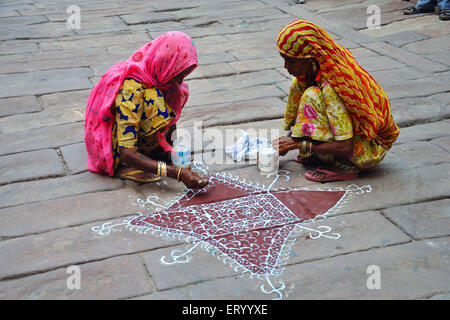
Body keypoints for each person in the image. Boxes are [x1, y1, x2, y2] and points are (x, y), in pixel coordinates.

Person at [273, 20, 400, 182]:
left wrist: (297, 144)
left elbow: (344, 146)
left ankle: (344, 166)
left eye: (291, 61)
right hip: (348, 140)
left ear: (311, 59)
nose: (285, 67)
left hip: (367, 149)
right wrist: (286, 144)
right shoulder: (311, 73)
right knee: (300, 86)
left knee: (312, 95)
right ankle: (316, 155)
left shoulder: (333, 85)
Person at [84, 31, 209, 189]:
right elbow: (127, 152)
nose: (179, 80)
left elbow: (171, 122)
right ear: (165, 62)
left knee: (176, 91)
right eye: (177, 74)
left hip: (139, 137)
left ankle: (150, 155)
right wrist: (176, 173)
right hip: (118, 149)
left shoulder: (167, 83)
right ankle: (123, 166)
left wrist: (171, 154)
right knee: (153, 99)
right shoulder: (131, 88)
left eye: (183, 74)